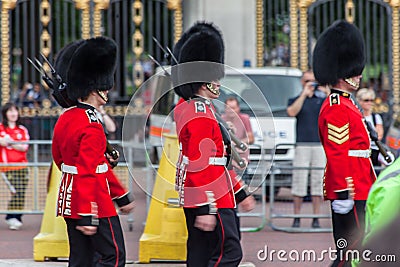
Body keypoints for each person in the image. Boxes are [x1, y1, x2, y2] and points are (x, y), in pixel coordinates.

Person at [172, 21, 255, 267]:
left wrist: (239, 191)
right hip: (211, 195)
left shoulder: (200, 108)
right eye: (214, 78)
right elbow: (200, 162)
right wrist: (207, 206)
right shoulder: (196, 111)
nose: (219, 82)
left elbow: (220, 159)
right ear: (202, 79)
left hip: (216, 189)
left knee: (200, 255)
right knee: (228, 253)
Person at [51, 37, 135, 267]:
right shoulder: (90, 123)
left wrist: (120, 194)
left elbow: (61, 159)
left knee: (81, 260)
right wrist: (88, 212)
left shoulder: (66, 117)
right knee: (113, 257)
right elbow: (89, 170)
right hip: (95, 200)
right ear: (95, 89)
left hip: (70, 198)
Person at [313, 20, 377, 266]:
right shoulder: (337, 107)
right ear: (342, 73)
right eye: (354, 70)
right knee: (352, 252)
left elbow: (355, 147)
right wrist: (342, 192)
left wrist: (374, 154)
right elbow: (338, 153)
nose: (359, 75)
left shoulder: (348, 103)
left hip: (360, 183)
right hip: (351, 188)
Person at [286, 70, 328, 229]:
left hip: (319, 145)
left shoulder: (323, 100)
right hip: (302, 144)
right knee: (299, 181)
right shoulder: (296, 99)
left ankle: (315, 217)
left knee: (318, 182)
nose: (311, 84)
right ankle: (297, 217)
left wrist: (327, 91)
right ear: (302, 83)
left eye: (313, 81)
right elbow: (291, 112)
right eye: (307, 81)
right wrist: (304, 94)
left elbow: (333, 112)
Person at [0, 102, 30, 230]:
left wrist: (10, 143)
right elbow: (2, 141)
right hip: (8, 166)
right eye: (10, 111)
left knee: (21, 191)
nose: (13, 114)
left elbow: (24, 147)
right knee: (16, 190)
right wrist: (12, 143)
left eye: (15, 111)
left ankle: (16, 217)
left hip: (22, 165)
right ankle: (11, 217)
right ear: (5, 114)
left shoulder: (22, 129)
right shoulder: (1, 128)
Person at [221, 95, 254, 172]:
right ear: (225, 109)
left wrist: (236, 143)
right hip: (226, 160)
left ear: (238, 108)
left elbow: (251, 138)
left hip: (241, 159)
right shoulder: (221, 119)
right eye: (228, 108)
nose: (231, 110)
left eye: (233, 108)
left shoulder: (245, 119)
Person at [355, 88, 384, 169]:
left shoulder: (376, 117)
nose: (369, 103)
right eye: (366, 100)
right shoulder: (356, 117)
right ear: (359, 101)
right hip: (360, 153)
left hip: (374, 151)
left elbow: (379, 135)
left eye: (371, 100)